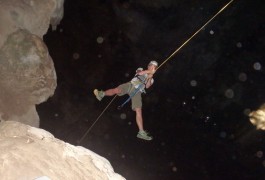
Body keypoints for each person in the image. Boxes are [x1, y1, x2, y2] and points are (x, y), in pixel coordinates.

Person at [94, 60, 158, 141]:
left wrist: (151, 76)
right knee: (117, 90)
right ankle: (101, 94)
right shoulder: (141, 69)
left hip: (138, 91)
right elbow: (139, 73)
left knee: (138, 110)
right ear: (149, 66)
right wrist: (149, 72)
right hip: (130, 85)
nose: (152, 67)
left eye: (154, 67)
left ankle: (141, 132)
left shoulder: (152, 79)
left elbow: (148, 86)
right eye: (151, 65)